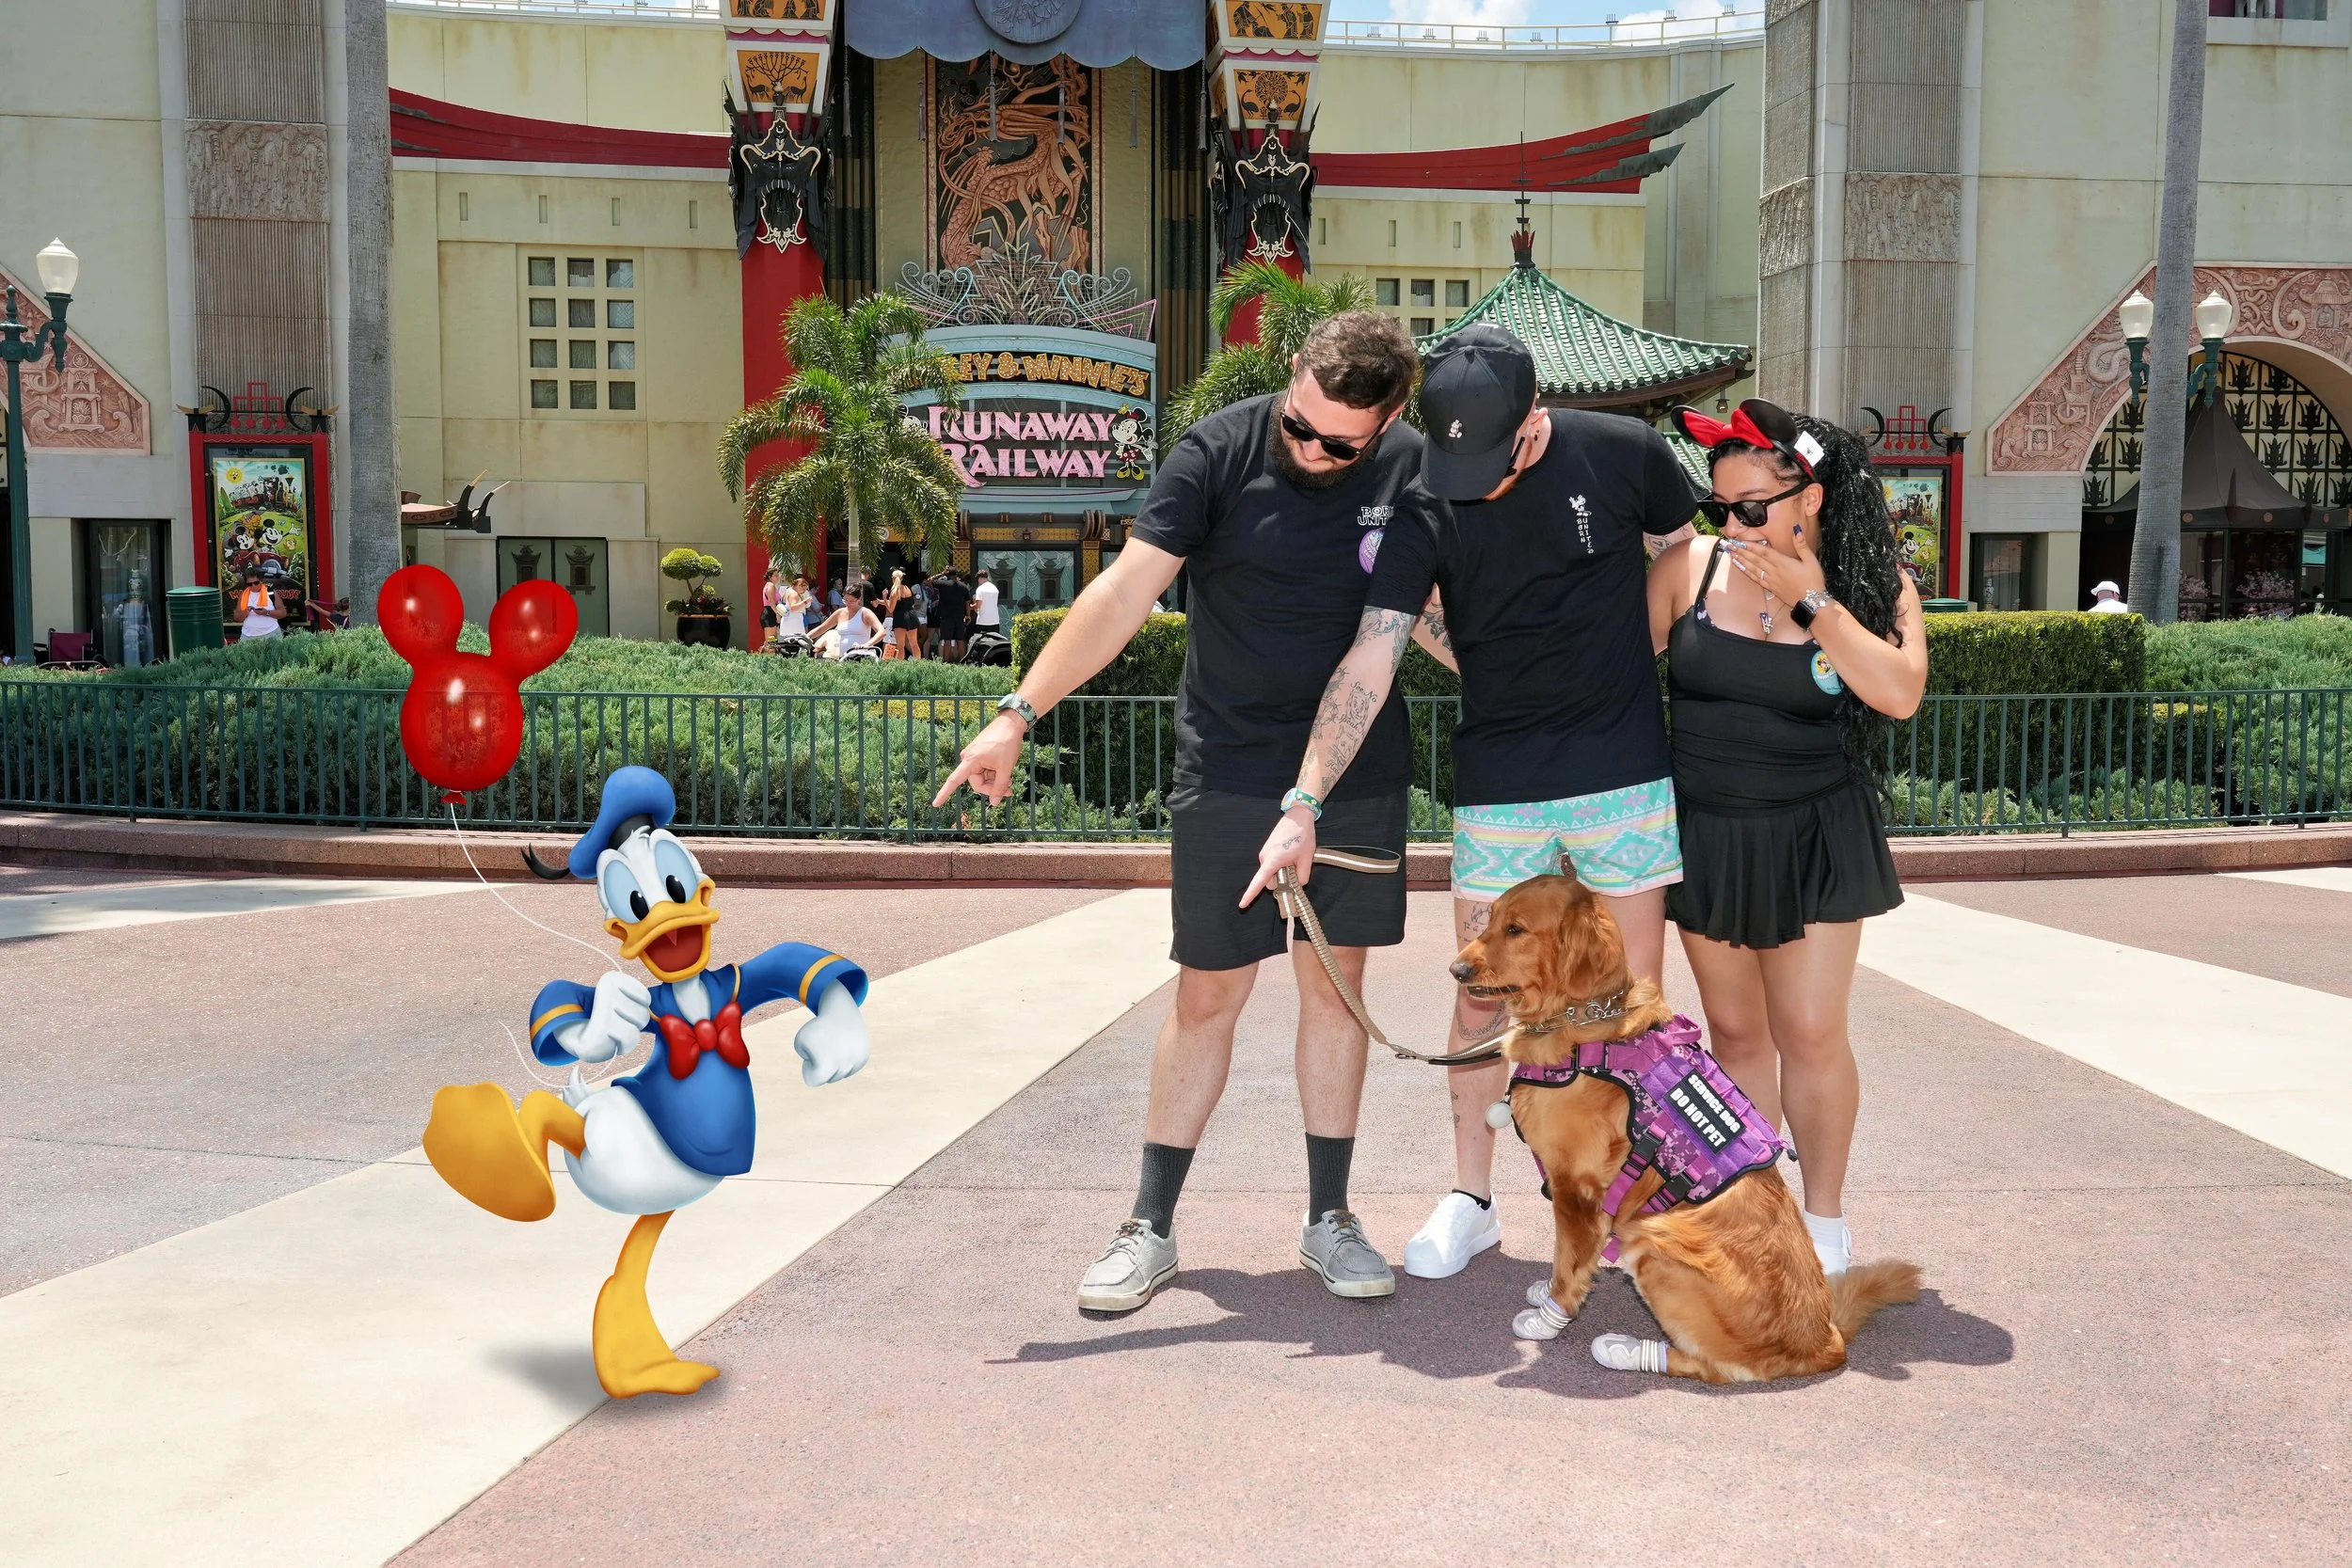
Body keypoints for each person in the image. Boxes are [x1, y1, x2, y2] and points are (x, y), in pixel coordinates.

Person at [935, 311, 1443, 1313]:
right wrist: (1014, 714)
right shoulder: (1215, 450)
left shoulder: (1409, 472)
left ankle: (1329, 1216)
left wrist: (1311, 796)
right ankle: (1149, 1223)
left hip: (1350, 769)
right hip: (1228, 764)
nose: (1312, 451)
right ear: (1291, 376)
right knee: (1208, 994)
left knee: (1336, 988)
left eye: (1340, 444)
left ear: (1386, 423)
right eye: (1299, 425)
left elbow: (1381, 645)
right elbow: (1125, 593)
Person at [1244, 323, 1699, 1283]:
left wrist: (1635, 647)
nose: (1475, 484)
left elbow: (1679, 550)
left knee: (1624, 1000)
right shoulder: (1425, 493)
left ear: (1534, 417)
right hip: (1499, 781)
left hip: (1622, 768)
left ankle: (1625, 1203)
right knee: (1480, 995)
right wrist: (1304, 796)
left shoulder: (1625, 451)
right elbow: (1379, 642)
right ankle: (1473, 1198)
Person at [1646, 396, 1928, 1276]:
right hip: (1710, 833)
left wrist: (1812, 601)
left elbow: (1900, 691)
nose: (1732, 527)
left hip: (1817, 829)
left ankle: (1826, 1226)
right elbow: (1606, 676)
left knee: (1808, 1029)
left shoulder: (1873, 583)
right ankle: (1755, 1220)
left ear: (1809, 496)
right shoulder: (1687, 569)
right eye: (1718, 508)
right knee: (1735, 1034)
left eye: (1750, 509)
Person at [807, 585, 883, 660]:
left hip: (862, 656)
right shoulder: (839, 613)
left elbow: (882, 632)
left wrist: (868, 644)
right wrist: (806, 637)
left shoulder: (865, 613)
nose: (848, 603)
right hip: (843, 657)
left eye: (852, 601)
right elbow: (821, 629)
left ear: (859, 599)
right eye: (846, 600)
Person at [233, 567, 285, 641]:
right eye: (250, 584)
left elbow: (283, 613)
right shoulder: (243, 595)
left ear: (261, 581)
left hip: (271, 634)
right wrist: (244, 612)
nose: (253, 586)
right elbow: (236, 618)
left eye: (256, 583)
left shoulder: (271, 592)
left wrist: (267, 612)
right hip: (248, 637)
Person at [929, 569, 970, 661]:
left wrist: (941, 573)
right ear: (956, 574)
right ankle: (962, 660)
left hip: (946, 617)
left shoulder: (943, 584)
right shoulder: (963, 587)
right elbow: (967, 602)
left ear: (947, 575)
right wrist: (968, 615)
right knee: (960, 639)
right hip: (959, 616)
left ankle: (947, 661)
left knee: (947, 639)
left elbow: (930, 580)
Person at [971, 568, 1001, 642]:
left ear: (980, 578)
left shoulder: (980, 589)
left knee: (982, 643)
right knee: (995, 643)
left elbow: (978, 605)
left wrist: (970, 607)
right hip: (995, 620)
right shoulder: (994, 588)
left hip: (983, 621)